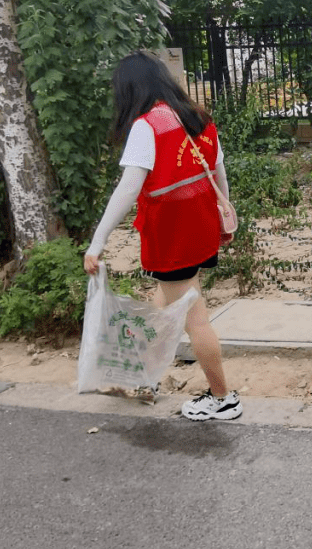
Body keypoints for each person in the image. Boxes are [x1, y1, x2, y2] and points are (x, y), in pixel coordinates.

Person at [83, 52, 242, 422]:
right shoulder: (198, 116)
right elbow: (218, 170)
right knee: (161, 304)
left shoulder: (147, 126)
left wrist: (97, 242)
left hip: (174, 235)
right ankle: (141, 377)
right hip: (201, 227)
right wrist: (225, 219)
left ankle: (223, 398)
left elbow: (127, 190)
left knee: (194, 316)